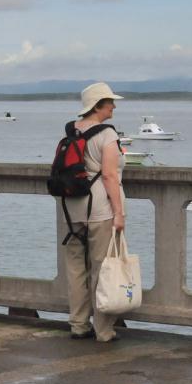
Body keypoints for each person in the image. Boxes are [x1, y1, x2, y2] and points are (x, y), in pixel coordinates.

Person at [64, 82, 127, 343]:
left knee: (76, 267)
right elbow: (110, 176)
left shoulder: (72, 130)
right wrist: (119, 212)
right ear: (98, 106)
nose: (114, 106)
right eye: (110, 102)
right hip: (100, 207)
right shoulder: (107, 135)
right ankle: (103, 330)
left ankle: (79, 325)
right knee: (102, 267)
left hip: (72, 206)